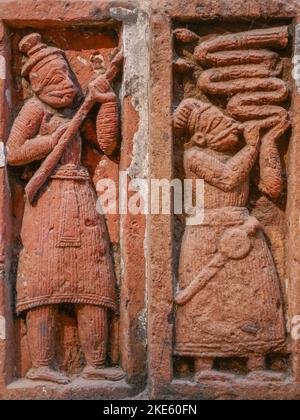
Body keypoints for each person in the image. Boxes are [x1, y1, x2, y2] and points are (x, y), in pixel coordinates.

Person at [7, 33, 123, 384]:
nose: (66, 83)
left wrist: (107, 104)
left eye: (67, 75)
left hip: (81, 198)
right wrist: (51, 139)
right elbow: (13, 153)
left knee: (94, 277)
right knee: (42, 281)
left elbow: (106, 144)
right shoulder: (33, 110)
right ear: (38, 84)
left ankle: (96, 363)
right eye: (56, 79)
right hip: (45, 201)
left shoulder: (76, 110)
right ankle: (42, 365)